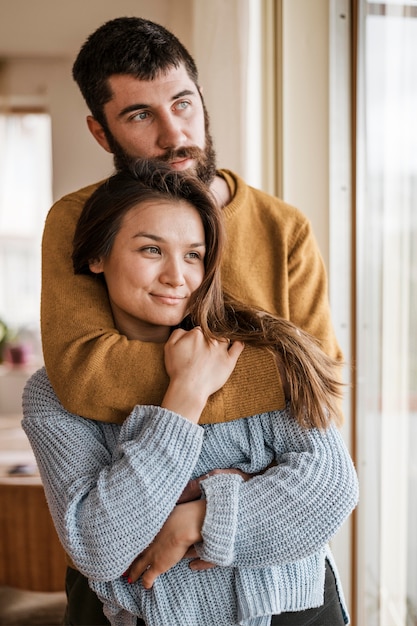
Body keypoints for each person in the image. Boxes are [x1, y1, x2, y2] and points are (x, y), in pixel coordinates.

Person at [39, 16, 345, 625]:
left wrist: (201, 506)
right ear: (102, 133)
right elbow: (85, 376)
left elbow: (321, 382)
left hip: (282, 584)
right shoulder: (77, 224)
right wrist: (232, 385)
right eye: (139, 115)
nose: (175, 133)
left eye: (183, 103)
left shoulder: (284, 228)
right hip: (132, 595)